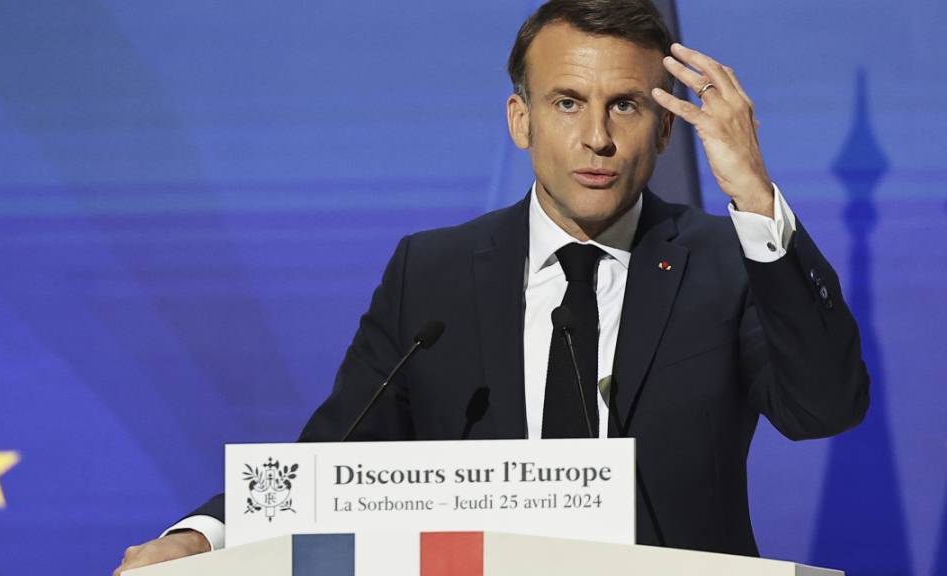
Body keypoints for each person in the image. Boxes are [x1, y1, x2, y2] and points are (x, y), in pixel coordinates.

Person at [114, 0, 868, 573]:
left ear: (666, 130)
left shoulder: (726, 258)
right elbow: (332, 458)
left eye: (626, 106)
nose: (596, 137)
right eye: (567, 102)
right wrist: (202, 535)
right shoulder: (433, 273)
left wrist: (757, 200)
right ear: (521, 119)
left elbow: (824, 408)